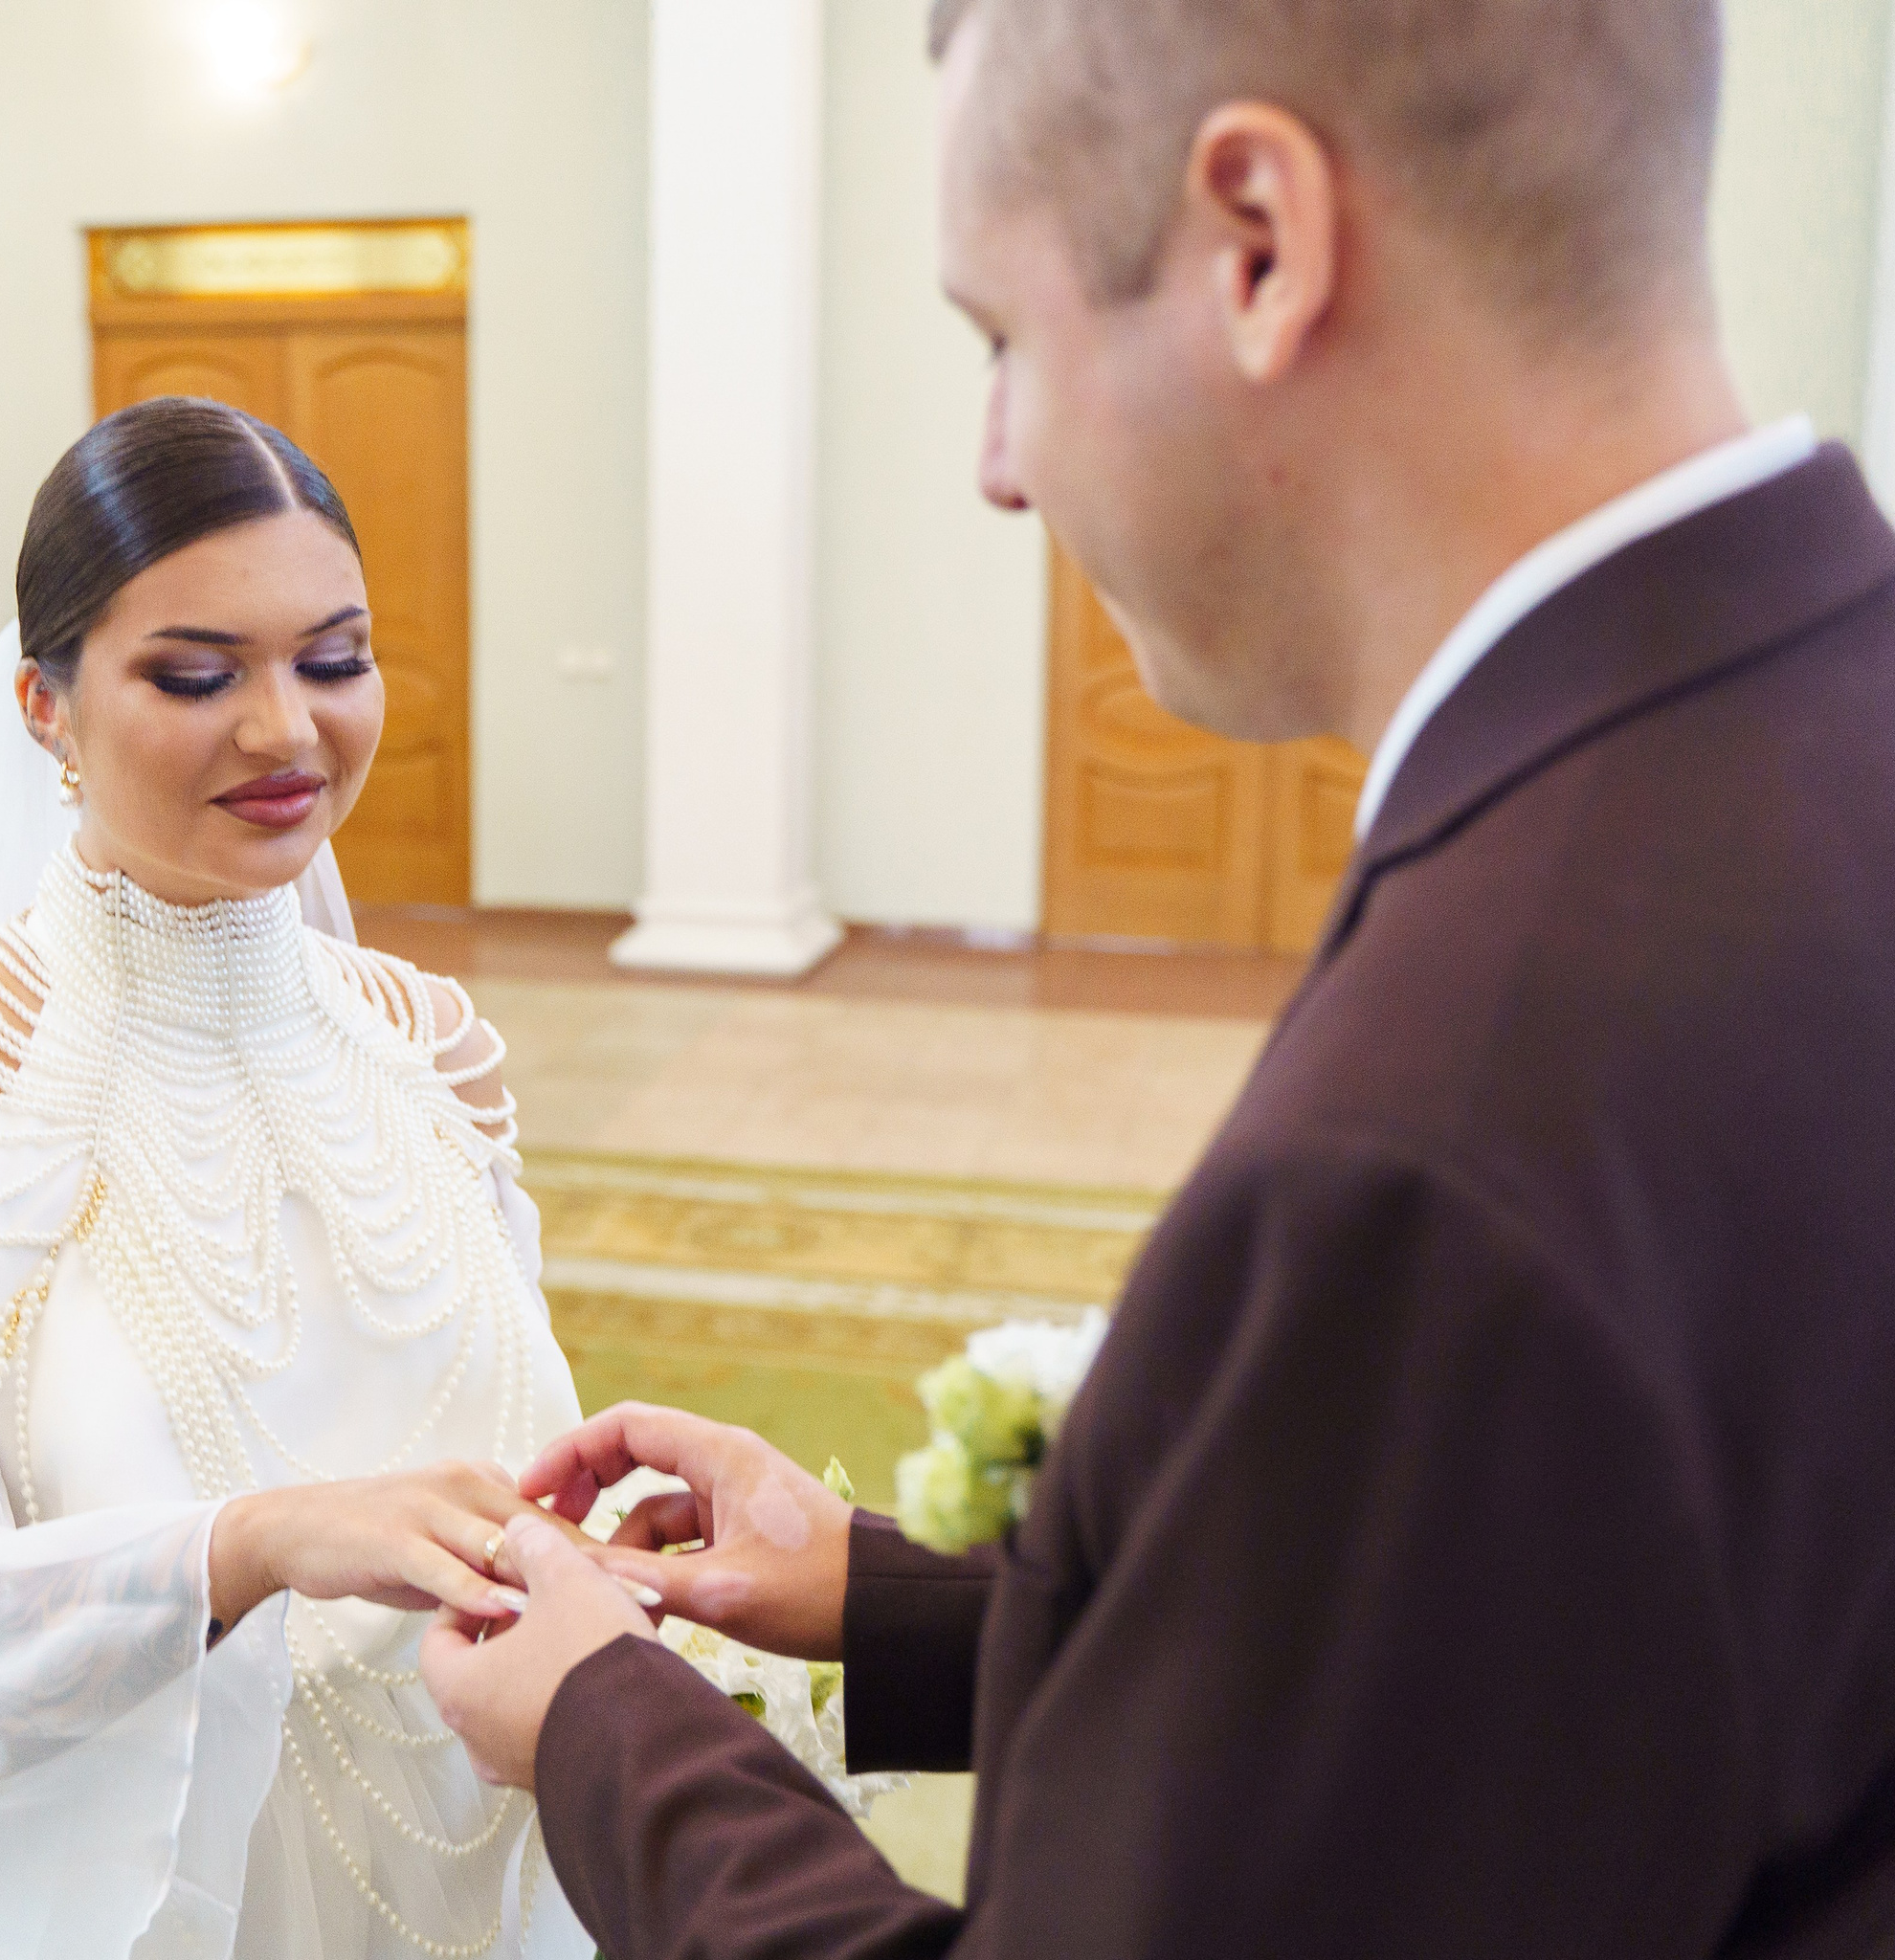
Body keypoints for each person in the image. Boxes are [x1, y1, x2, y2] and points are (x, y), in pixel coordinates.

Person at [419, 0, 1895, 1954]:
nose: (996, 467)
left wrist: (609, 1725)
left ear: (1257, 245)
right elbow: (1517, 1667)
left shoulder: (1442, 1145)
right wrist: (906, 1598)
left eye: (1000, 341)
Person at [0, 397, 612, 1960]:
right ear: (45, 706)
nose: (287, 732)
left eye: (334, 660)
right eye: (197, 676)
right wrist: (242, 1550)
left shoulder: (433, 1047)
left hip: (479, 1849)